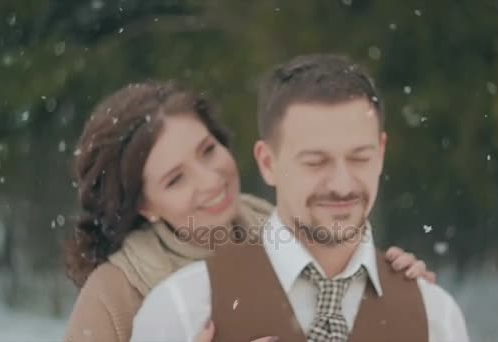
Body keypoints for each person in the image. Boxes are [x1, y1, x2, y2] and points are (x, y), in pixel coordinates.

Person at [63, 80, 436, 342]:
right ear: (144, 206)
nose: (211, 180)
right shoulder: (116, 294)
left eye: (208, 150)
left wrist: (398, 291)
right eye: (176, 179)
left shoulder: (301, 241)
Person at [131, 55, 470, 342]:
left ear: (381, 153)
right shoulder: (181, 308)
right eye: (316, 161)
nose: (341, 184)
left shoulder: (435, 317)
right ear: (268, 163)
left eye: (359, 157)